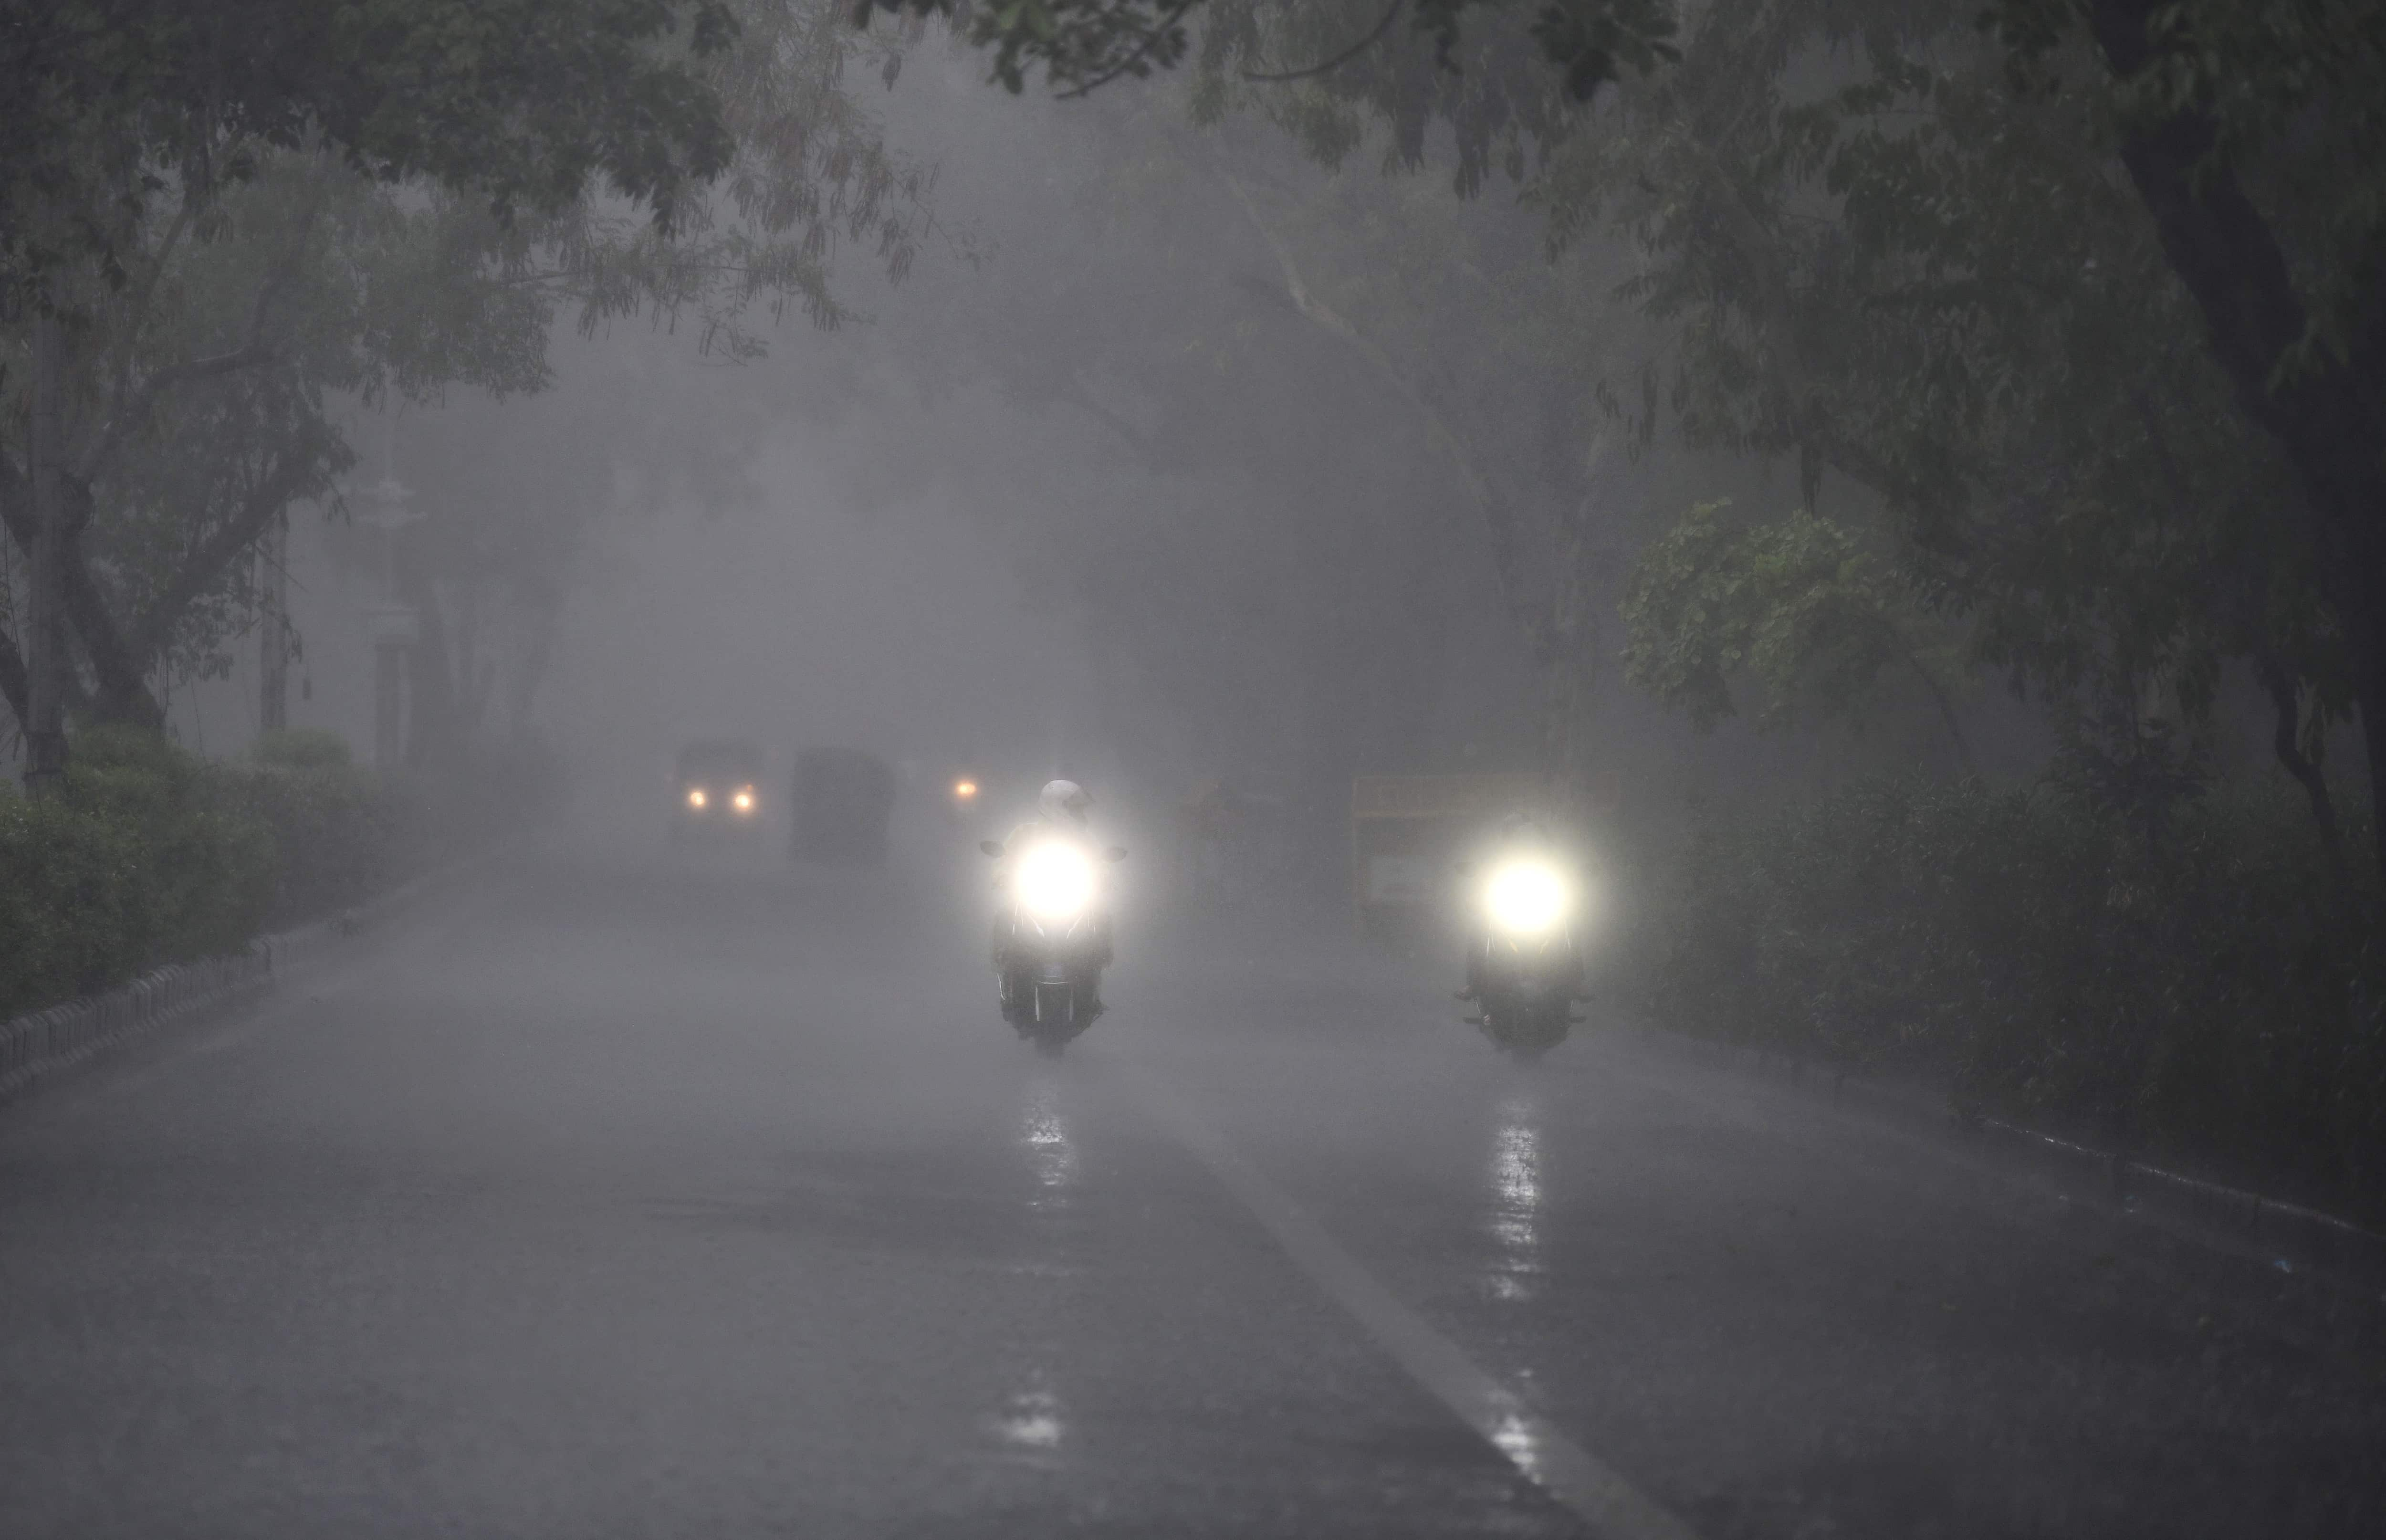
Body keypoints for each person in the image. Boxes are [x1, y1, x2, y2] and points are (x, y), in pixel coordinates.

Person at [989, 779, 1113, 1022]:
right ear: (1055, 805)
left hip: (1075, 898)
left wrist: (1105, 878)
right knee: (1005, 915)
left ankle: (1097, 973)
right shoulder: (1026, 833)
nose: (1079, 811)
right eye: (1073, 806)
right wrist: (1002, 875)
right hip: (1031, 897)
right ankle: (1002, 961)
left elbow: (1101, 863)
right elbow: (1004, 858)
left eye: (1079, 807)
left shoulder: (1084, 837)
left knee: (1101, 916)